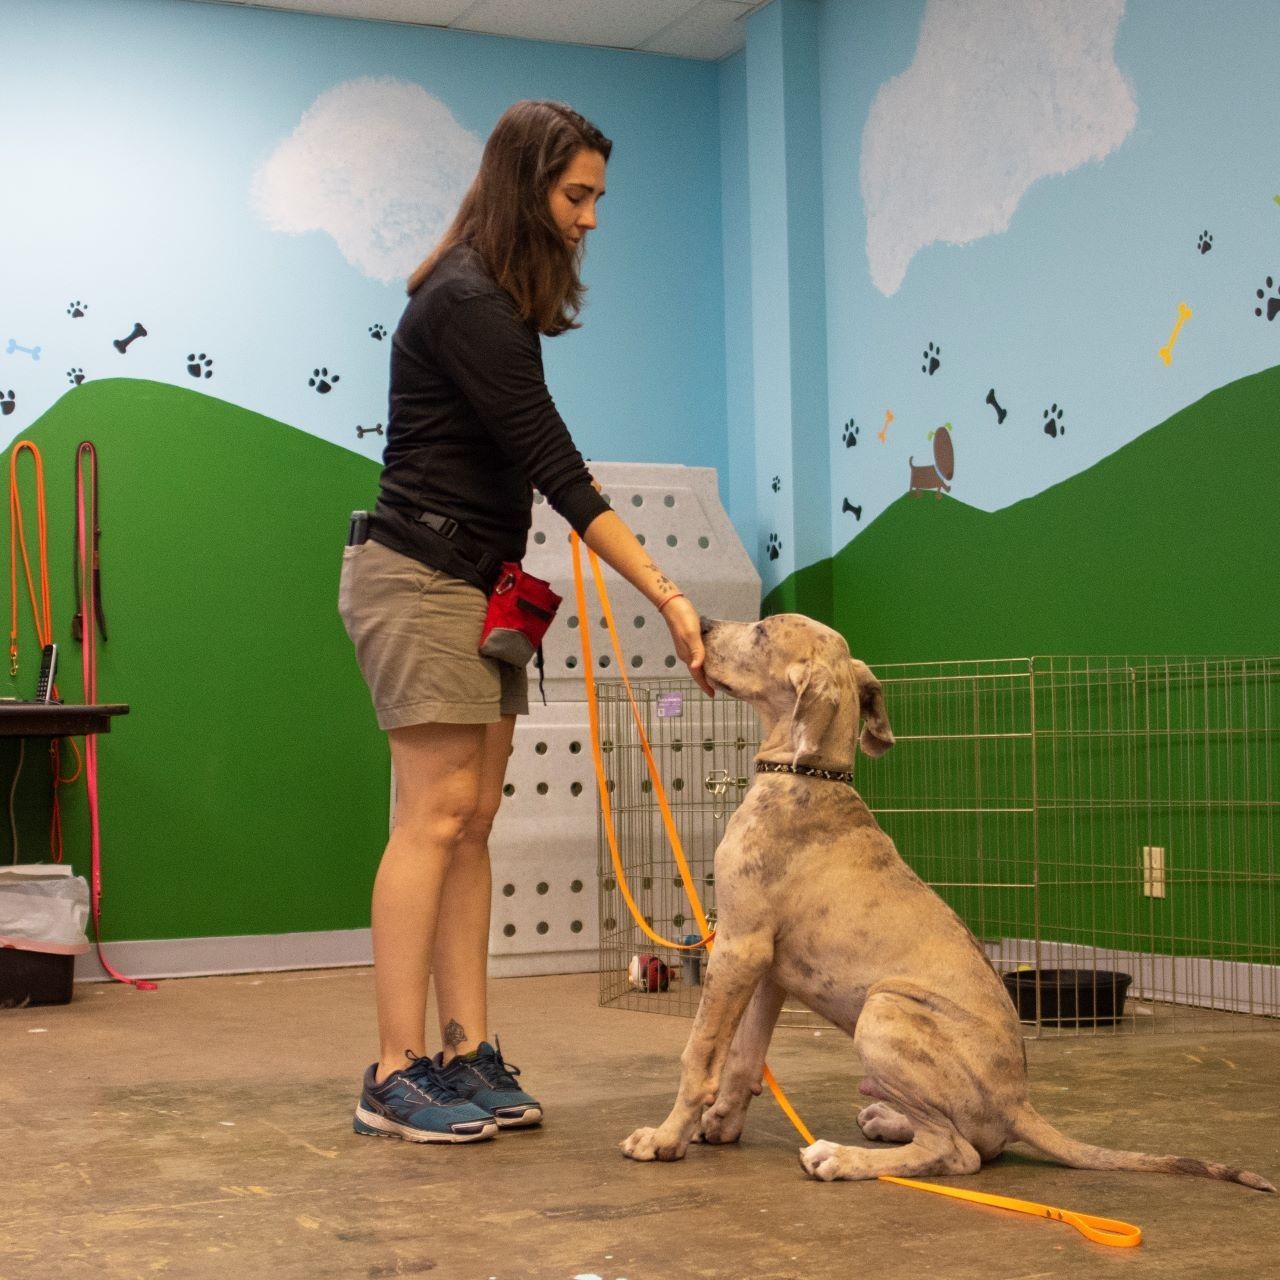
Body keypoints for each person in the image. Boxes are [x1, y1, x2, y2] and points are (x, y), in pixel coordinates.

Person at [338, 100, 710, 1144]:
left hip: (480, 582)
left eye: (596, 197)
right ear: (524, 189)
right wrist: (669, 594)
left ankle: (465, 1049)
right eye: (574, 195)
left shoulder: (493, 295)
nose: (589, 217)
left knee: (473, 816)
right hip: (418, 574)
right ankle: (392, 1068)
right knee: (434, 814)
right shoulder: (464, 300)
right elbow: (558, 466)